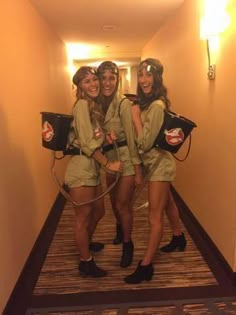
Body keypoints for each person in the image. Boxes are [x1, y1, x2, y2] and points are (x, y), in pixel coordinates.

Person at [124, 58, 185, 284]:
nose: (143, 80)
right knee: (167, 203)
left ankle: (146, 266)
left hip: (160, 167)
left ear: (157, 78)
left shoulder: (157, 106)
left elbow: (146, 143)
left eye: (148, 75)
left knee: (154, 217)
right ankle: (178, 237)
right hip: (156, 165)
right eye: (140, 75)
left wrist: (136, 118)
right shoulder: (149, 103)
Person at [64, 66, 122, 278]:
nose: (94, 84)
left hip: (92, 168)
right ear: (79, 86)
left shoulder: (92, 107)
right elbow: (87, 143)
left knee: (99, 212)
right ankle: (85, 261)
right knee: (82, 218)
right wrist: (108, 164)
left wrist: (107, 138)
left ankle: (85, 244)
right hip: (81, 169)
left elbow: (93, 135)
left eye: (94, 80)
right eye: (86, 81)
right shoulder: (81, 105)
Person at [97, 61, 143, 268]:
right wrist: (105, 138)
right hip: (108, 160)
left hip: (125, 159)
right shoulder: (95, 104)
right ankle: (119, 229)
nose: (107, 82)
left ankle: (128, 243)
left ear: (117, 80)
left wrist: (137, 170)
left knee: (123, 206)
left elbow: (132, 139)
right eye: (104, 78)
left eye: (111, 78)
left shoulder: (123, 104)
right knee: (114, 203)